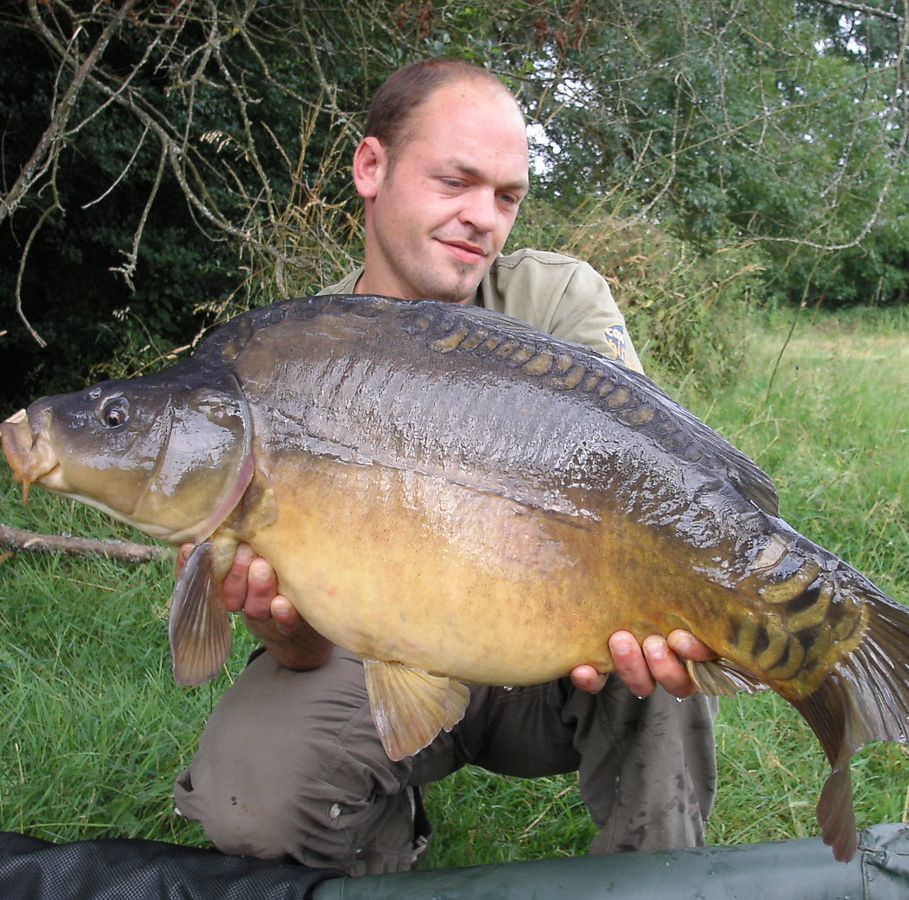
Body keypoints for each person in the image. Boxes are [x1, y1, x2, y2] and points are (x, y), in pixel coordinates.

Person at [173, 58, 721, 877]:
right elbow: (301, 649)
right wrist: (279, 630)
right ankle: (384, 862)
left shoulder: (557, 302)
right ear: (371, 167)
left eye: (506, 196)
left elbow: (649, 492)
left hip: (549, 652)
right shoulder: (297, 356)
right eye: (455, 182)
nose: (482, 219)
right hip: (379, 654)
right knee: (249, 792)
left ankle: (658, 878)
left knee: (656, 634)